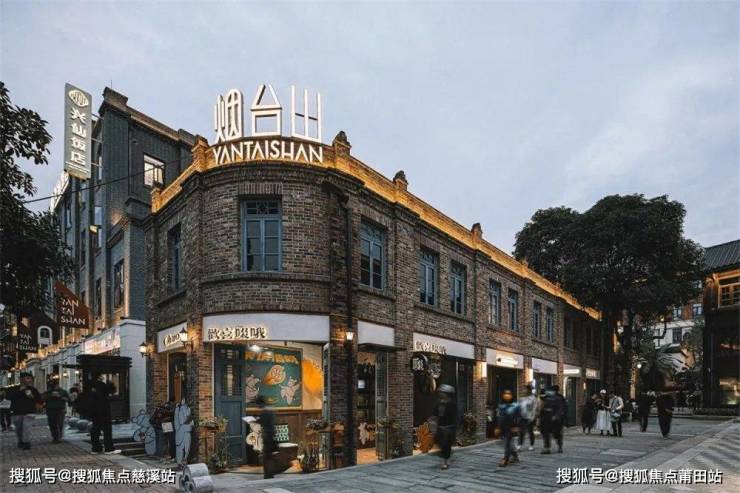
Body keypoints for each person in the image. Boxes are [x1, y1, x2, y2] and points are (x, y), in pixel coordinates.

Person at [80, 378, 120, 454]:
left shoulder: (90, 386)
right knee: (107, 430)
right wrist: (111, 384)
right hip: (103, 411)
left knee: (95, 429)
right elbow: (111, 391)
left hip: (94, 411)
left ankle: (96, 448)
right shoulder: (101, 386)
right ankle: (109, 448)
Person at [8, 372, 42, 450]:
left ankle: (27, 442)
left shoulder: (33, 390)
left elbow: (39, 400)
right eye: (27, 378)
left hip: (29, 411)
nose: (29, 380)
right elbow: (8, 397)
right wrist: (19, 391)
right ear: (21, 379)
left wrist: (32, 397)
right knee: (19, 429)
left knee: (27, 427)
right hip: (17, 412)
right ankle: (20, 441)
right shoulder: (13, 389)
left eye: (30, 378)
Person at [434, 384, 457, 470]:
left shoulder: (452, 404)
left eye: (442, 392)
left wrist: (453, 427)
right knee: (440, 443)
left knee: (446, 445)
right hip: (440, 426)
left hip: (449, 427)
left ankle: (445, 462)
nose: (440, 394)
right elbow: (435, 413)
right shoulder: (439, 403)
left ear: (446, 394)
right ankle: (447, 456)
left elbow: (454, 416)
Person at [497, 390, 521, 467]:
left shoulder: (515, 406)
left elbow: (519, 417)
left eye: (509, 394)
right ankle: (515, 456)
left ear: (512, 395)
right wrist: (498, 427)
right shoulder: (501, 406)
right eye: (505, 394)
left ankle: (505, 459)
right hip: (503, 427)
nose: (507, 395)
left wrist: (516, 426)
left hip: (511, 427)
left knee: (507, 443)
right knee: (508, 443)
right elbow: (499, 417)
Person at [539, 386, 564, 454]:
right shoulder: (545, 398)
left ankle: (559, 446)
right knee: (546, 433)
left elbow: (560, 409)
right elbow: (542, 408)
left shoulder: (559, 398)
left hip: (555, 419)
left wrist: (556, 416)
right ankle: (547, 448)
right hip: (546, 418)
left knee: (556, 434)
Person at [518, 384, 537, 451]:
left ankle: (531, 445)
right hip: (522, 417)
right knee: (521, 432)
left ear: (529, 390)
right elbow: (519, 407)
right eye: (523, 389)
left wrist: (532, 418)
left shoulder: (533, 398)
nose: (524, 390)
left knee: (530, 431)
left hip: (529, 417)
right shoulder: (522, 398)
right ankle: (519, 445)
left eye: (525, 389)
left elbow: (534, 409)